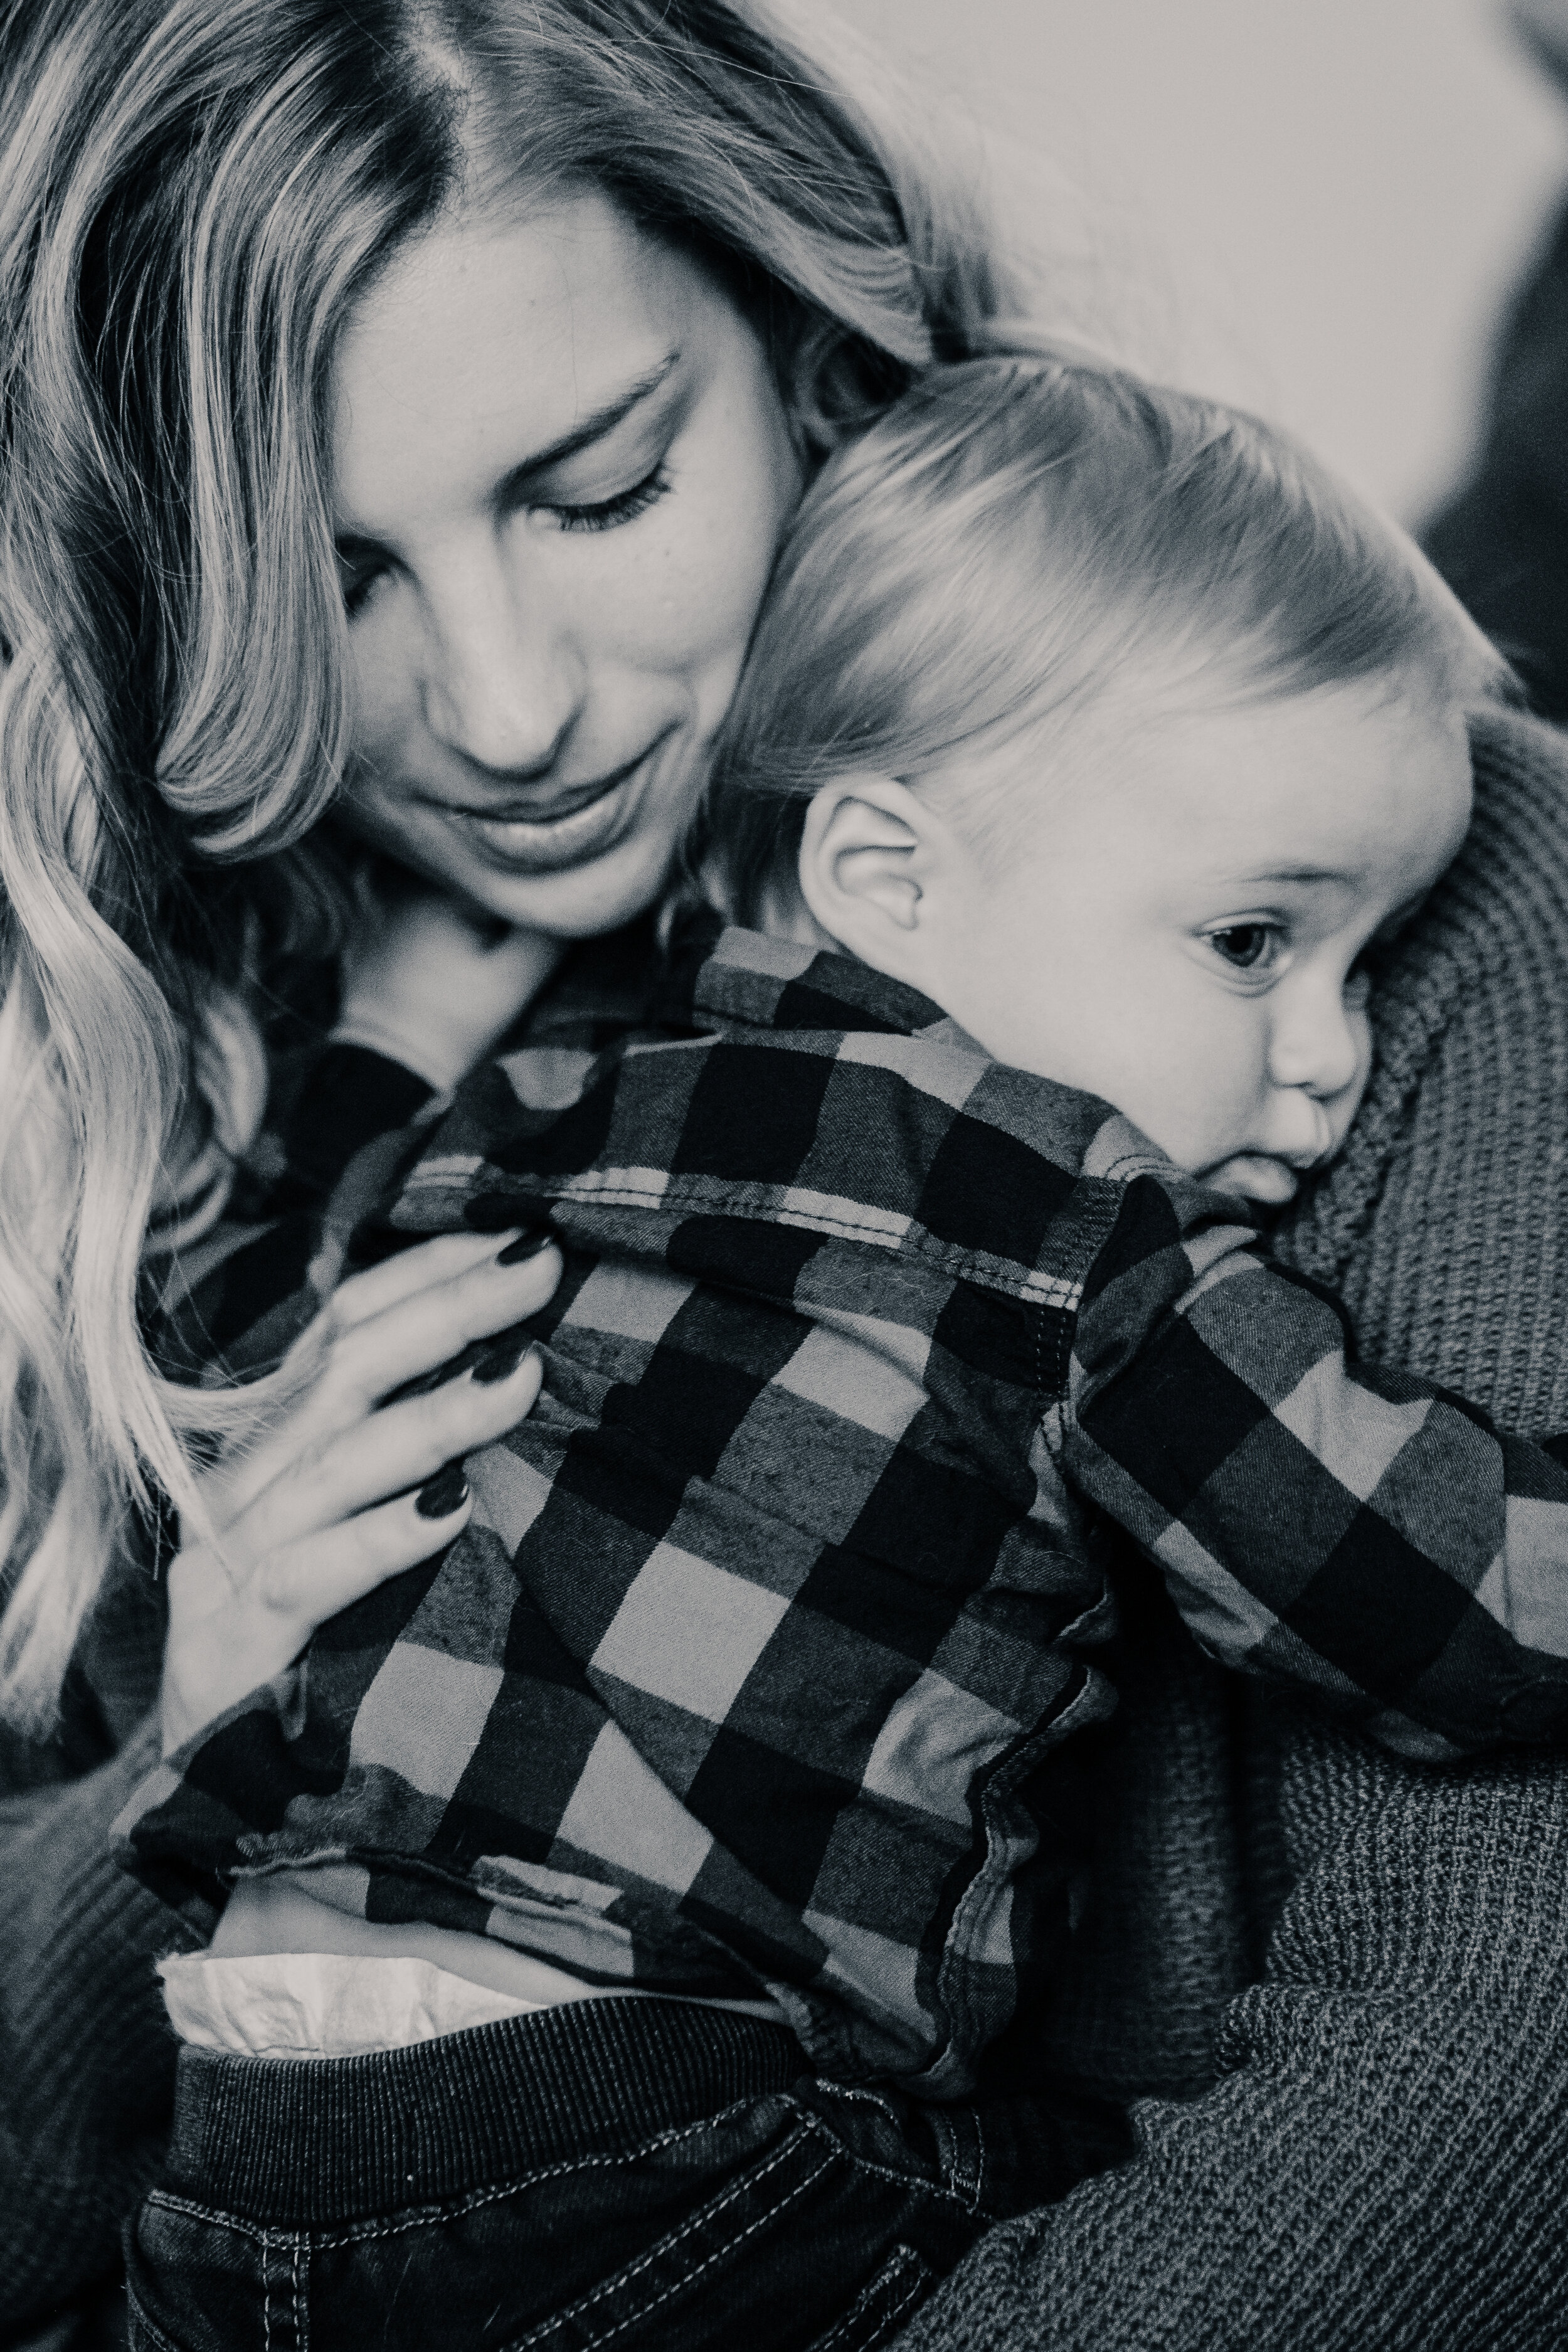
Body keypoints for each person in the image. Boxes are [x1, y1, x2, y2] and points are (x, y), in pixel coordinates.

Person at [0, 3, 1564, 2348]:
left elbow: (1479, 2070)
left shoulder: (1373, 885)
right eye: (336, 578)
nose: (508, 712)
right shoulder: (226, 1060)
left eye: (599, 490)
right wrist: (185, 1761)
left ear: (811, 334)